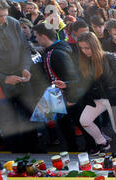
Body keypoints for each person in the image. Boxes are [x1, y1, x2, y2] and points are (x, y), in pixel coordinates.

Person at [57, 31, 116, 154]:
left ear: (95, 45)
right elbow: (82, 81)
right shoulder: (85, 61)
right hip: (98, 98)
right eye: (81, 48)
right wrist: (66, 84)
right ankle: (103, 142)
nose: (84, 51)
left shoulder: (109, 57)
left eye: (87, 48)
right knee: (85, 121)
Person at [0, 0, 40, 152]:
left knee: (30, 115)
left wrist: (25, 67)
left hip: (21, 78)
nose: (4, 20)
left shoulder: (12, 22)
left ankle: (36, 152)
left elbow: (24, 47)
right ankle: (17, 158)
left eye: (5, 15)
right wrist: (4, 78)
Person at [33, 22, 82, 152]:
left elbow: (70, 76)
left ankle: (76, 149)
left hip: (66, 96)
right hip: (64, 95)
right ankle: (77, 147)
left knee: (69, 124)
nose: (36, 40)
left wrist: (70, 97)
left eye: (36, 36)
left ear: (43, 36)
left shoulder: (55, 53)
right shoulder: (57, 48)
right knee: (70, 123)